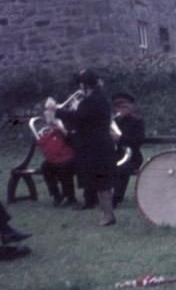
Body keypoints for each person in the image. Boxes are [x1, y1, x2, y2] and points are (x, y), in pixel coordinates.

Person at [51, 69, 116, 226]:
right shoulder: (96, 98)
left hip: (96, 146)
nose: (79, 87)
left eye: (80, 83)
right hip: (97, 144)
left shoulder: (92, 100)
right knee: (101, 183)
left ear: (85, 84)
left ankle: (108, 215)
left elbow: (78, 119)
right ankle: (107, 214)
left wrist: (56, 110)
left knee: (102, 183)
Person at [111, 92, 146, 207]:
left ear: (131, 107)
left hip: (132, 157)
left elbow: (138, 140)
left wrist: (120, 138)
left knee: (122, 169)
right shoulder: (113, 122)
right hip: (114, 155)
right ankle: (94, 198)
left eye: (125, 107)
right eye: (118, 107)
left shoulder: (137, 121)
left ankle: (116, 198)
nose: (121, 109)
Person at [39, 105, 77, 207]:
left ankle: (70, 196)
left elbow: (74, 141)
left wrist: (62, 129)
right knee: (45, 166)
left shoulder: (69, 124)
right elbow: (43, 144)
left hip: (73, 156)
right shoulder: (48, 130)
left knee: (64, 166)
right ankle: (56, 195)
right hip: (58, 157)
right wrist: (52, 130)